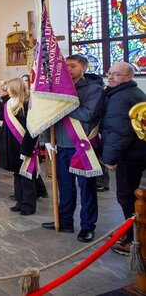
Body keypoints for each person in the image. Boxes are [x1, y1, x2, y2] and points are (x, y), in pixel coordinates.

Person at [41, 54, 104, 243]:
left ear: (83, 68)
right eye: (66, 65)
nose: (68, 69)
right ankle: (65, 220)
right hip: (61, 145)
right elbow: (49, 116)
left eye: (73, 66)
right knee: (65, 187)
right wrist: (47, 139)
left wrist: (65, 105)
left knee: (87, 189)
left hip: (82, 146)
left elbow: (88, 114)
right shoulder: (59, 88)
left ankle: (87, 226)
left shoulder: (94, 89)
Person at [101, 62, 146, 255]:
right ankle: (131, 232)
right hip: (137, 151)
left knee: (126, 197)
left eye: (116, 74)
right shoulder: (132, 92)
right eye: (109, 73)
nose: (111, 77)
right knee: (130, 196)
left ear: (129, 77)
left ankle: (132, 240)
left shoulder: (121, 97)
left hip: (129, 155)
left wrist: (110, 158)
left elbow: (118, 131)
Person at [0, 78, 39, 215]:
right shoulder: (8, 103)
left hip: (24, 145)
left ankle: (28, 205)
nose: (7, 90)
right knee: (17, 174)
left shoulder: (27, 104)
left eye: (9, 87)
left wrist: (27, 148)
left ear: (16, 88)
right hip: (11, 145)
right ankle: (19, 201)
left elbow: (32, 128)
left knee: (27, 176)